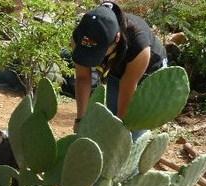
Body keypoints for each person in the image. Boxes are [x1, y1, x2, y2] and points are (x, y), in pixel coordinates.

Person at [72, 1, 167, 137]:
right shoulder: (80, 37)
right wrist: (80, 119)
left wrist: (120, 129)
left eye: (98, 52)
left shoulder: (138, 45)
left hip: (147, 75)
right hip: (116, 68)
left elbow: (128, 86)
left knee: (130, 134)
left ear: (116, 38)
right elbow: (82, 78)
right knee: (112, 121)